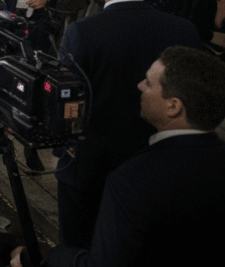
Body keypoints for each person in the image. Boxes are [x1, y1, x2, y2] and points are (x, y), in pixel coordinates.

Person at [51, 0, 202, 251]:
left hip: (91, 165)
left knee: (79, 248)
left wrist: (61, 147)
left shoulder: (83, 32)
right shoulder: (183, 30)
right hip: (157, 164)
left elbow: (66, 98)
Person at [14, 47, 225, 267]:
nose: (140, 86)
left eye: (149, 83)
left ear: (173, 106)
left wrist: (52, 258)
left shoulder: (132, 181)